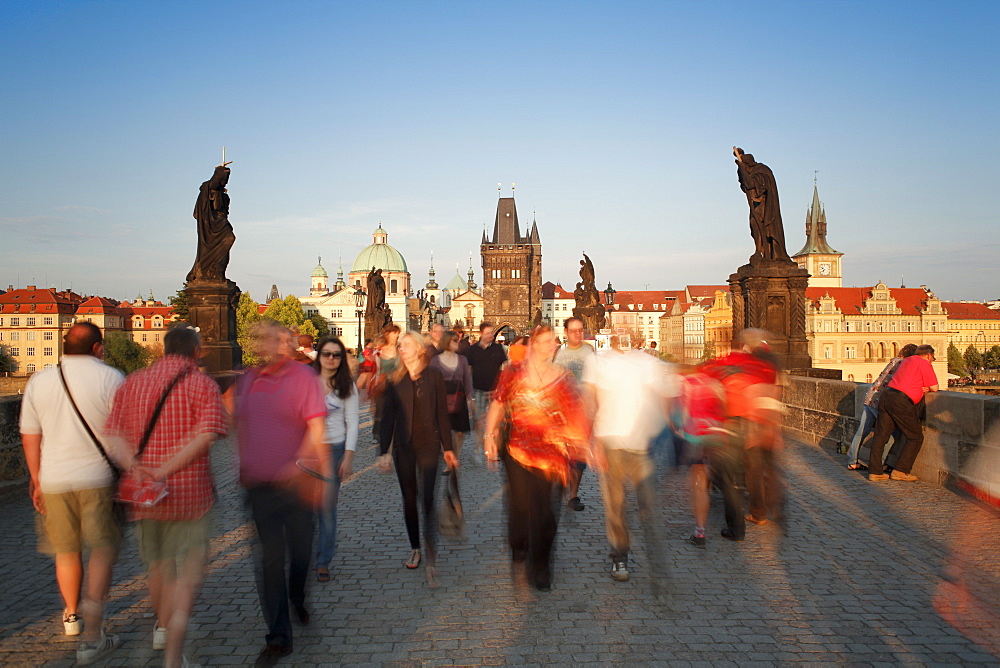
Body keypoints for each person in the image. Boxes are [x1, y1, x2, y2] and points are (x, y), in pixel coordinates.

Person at [103, 325, 227, 668]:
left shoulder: (132, 382)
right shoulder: (202, 384)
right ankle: (173, 656)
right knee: (188, 574)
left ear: (163, 349)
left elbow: (112, 434)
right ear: (196, 351)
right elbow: (207, 435)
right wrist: (165, 470)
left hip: (144, 496)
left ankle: (161, 626)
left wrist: (138, 469)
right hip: (190, 495)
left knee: (158, 567)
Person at [19, 322, 124, 665]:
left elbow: (30, 435)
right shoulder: (111, 378)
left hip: (53, 479)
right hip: (97, 477)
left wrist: (35, 479)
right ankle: (95, 629)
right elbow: (124, 432)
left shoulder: (39, 381)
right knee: (101, 549)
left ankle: (70, 615)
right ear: (96, 348)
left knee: (66, 551)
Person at [233, 322, 328, 666]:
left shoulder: (303, 378)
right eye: (259, 339)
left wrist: (299, 462)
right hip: (260, 486)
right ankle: (278, 637)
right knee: (270, 560)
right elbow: (241, 425)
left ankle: (298, 596)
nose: (265, 346)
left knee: (300, 554)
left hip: (298, 483)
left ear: (284, 344)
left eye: (271, 339)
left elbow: (317, 427)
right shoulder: (248, 379)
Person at [485, 325, 590, 593]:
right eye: (545, 341)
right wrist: (489, 435)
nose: (551, 346)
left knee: (545, 516)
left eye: (554, 342)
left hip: (552, 456)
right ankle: (519, 549)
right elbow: (498, 403)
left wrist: (583, 444)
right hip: (517, 451)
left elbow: (575, 413)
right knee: (521, 510)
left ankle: (540, 568)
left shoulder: (564, 378)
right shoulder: (513, 372)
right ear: (533, 345)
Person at [583, 335, 673, 589]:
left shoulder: (648, 362)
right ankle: (620, 556)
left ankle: (657, 565)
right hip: (610, 443)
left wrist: (661, 431)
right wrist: (592, 441)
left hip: (643, 446)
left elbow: (665, 398)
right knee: (616, 506)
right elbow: (589, 400)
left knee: (649, 507)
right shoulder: (597, 361)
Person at [377, 331, 458, 585]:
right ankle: (416, 547)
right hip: (403, 446)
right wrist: (384, 452)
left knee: (427, 499)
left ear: (419, 349)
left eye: (406, 345)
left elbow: (442, 415)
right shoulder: (394, 378)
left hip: (429, 444)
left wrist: (448, 447)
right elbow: (387, 418)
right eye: (399, 345)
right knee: (409, 499)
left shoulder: (434, 376)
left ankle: (431, 549)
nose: (401, 348)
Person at [699, 329, 782, 540]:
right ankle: (764, 510)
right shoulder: (763, 365)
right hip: (755, 424)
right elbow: (771, 391)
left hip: (730, 424)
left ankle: (737, 528)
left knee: (727, 478)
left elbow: (705, 383)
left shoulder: (726, 362)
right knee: (758, 470)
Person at [311, 336, 359, 583]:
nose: (331, 358)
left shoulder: (347, 386)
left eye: (336, 354)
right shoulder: (306, 383)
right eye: (326, 353)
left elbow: (352, 423)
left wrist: (349, 456)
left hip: (335, 449)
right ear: (318, 356)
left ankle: (323, 561)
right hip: (308, 451)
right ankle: (304, 553)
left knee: (326, 509)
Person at [867, 345, 940, 482]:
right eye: (933, 358)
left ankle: (875, 472)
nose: (932, 361)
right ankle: (901, 470)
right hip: (901, 401)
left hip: (887, 396)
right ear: (929, 355)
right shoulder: (924, 363)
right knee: (915, 437)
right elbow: (935, 388)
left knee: (881, 437)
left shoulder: (907, 361)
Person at [845, 344, 918, 470]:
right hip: (880, 400)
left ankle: (852, 460)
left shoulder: (894, 361)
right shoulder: (904, 363)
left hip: (870, 395)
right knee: (890, 432)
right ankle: (880, 462)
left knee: (862, 432)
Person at [554, 316, 595, 511]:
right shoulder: (560, 355)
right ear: (566, 333)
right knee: (563, 454)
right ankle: (561, 488)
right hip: (564, 411)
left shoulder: (590, 352)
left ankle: (573, 495)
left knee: (579, 457)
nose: (578, 334)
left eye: (580, 330)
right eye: (573, 331)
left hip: (584, 411)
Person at [430, 330, 474, 471]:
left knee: (460, 431)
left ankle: (457, 454)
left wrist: (470, 397)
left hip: (459, 397)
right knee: (445, 429)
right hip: (442, 399)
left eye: (457, 340)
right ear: (447, 342)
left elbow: (467, 379)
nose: (458, 343)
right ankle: (449, 457)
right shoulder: (436, 361)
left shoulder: (462, 359)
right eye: (454, 340)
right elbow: (430, 382)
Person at [465, 322, 508, 456]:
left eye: (492, 333)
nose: (491, 335)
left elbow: (505, 366)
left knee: (497, 420)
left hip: (495, 391)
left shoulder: (498, 349)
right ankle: (478, 447)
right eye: (488, 333)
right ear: (481, 333)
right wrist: (468, 389)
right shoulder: (472, 350)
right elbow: (468, 369)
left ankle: (494, 446)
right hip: (478, 389)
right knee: (477, 420)